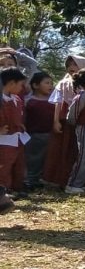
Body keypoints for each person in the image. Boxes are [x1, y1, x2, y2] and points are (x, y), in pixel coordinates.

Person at [42, 55, 85, 188]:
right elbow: (58, 103)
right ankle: (60, 180)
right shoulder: (63, 83)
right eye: (69, 65)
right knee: (63, 150)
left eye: (75, 64)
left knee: (82, 151)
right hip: (66, 122)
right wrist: (56, 121)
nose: (71, 67)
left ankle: (82, 180)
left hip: (84, 121)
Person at [1, 68, 30, 209]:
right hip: (3, 140)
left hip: (17, 139)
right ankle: (3, 194)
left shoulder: (17, 99)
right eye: (20, 85)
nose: (22, 88)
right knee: (3, 168)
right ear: (11, 83)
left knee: (18, 165)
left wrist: (20, 125)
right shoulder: (1, 101)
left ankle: (13, 189)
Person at [23, 71, 54, 190]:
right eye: (46, 83)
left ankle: (42, 179)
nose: (50, 85)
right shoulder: (29, 101)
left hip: (50, 134)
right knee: (33, 159)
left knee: (47, 158)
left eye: (51, 83)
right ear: (35, 85)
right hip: (33, 135)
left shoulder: (53, 101)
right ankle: (30, 180)